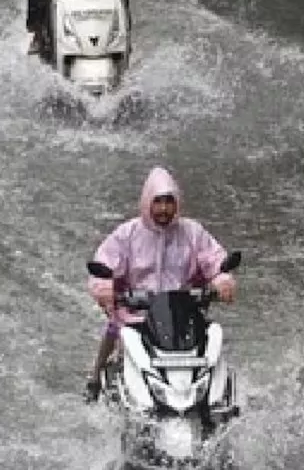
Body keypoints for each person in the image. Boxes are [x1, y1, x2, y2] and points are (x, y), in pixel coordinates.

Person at [83, 167, 237, 400]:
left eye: (169, 201)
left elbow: (214, 259)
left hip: (184, 314)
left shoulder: (192, 233)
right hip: (137, 313)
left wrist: (222, 279)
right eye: (158, 201)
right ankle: (94, 379)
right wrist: (104, 287)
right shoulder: (127, 234)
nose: (163, 209)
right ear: (147, 202)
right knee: (113, 329)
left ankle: (218, 397)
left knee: (212, 341)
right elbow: (104, 263)